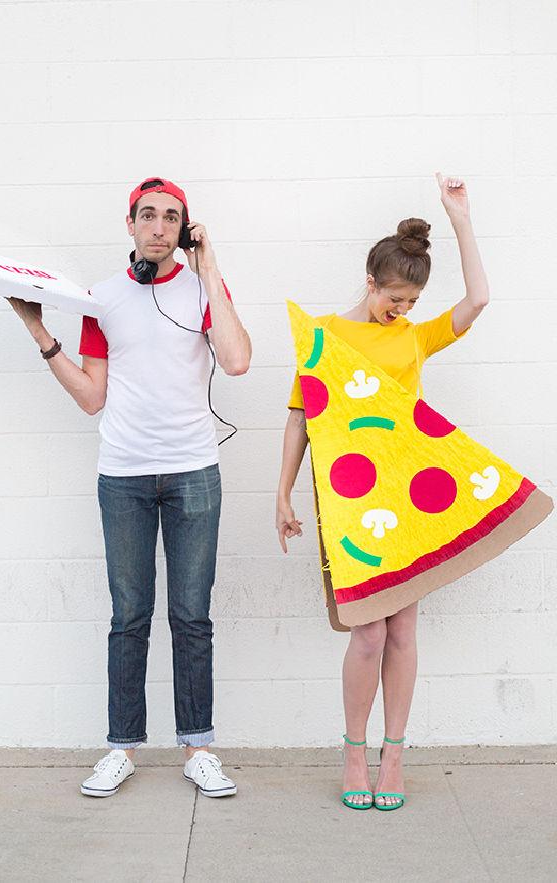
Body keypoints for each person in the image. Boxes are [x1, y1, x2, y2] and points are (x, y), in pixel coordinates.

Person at [8, 176, 251, 799]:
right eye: (150, 215)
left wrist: (211, 267)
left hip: (195, 470)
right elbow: (93, 396)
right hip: (124, 476)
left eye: (173, 217)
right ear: (131, 224)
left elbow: (238, 359)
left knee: (192, 617)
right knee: (129, 616)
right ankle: (122, 746)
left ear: (184, 228)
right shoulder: (103, 299)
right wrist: (41, 334)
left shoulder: (202, 290)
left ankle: (198, 747)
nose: (160, 226)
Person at [276, 174, 489, 810]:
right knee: (365, 635)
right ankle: (353, 751)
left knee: (402, 636)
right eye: (395, 299)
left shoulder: (412, 338)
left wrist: (461, 220)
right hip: (349, 503)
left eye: (412, 301)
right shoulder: (323, 339)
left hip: (409, 500)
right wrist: (282, 495)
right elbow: (299, 419)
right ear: (370, 282)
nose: (403, 311)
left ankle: (393, 757)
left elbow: (478, 300)